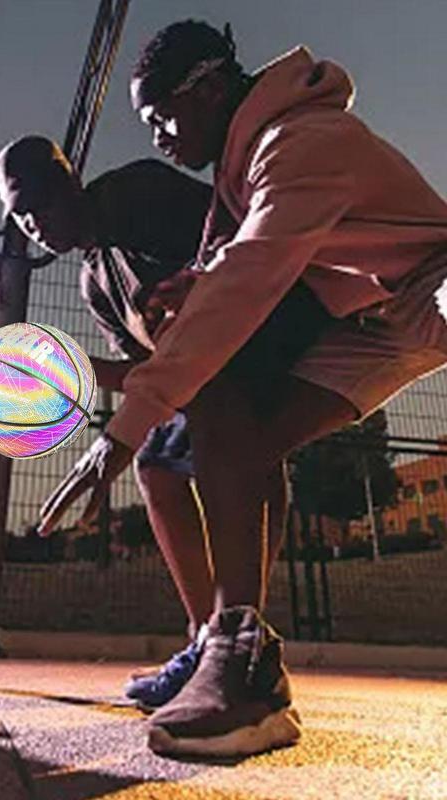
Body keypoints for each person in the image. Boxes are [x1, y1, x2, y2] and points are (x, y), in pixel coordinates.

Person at [36, 20, 447, 759]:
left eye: (162, 114)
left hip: (434, 284)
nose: (159, 134)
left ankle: (230, 651)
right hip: (371, 325)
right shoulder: (239, 170)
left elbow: (249, 276)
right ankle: (240, 658)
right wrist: (194, 282)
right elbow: (234, 261)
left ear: (212, 87)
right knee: (232, 428)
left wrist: (121, 429)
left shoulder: (302, 142)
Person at [0, 135, 330, 710]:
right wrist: (79, 370)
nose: (34, 222)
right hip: (203, 374)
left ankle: (234, 635)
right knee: (156, 463)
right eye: (21, 215)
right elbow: (151, 369)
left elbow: (242, 246)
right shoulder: (96, 284)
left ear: (70, 181)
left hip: (274, 331)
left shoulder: (138, 191)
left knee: (228, 440)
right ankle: (208, 640)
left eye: (40, 201)